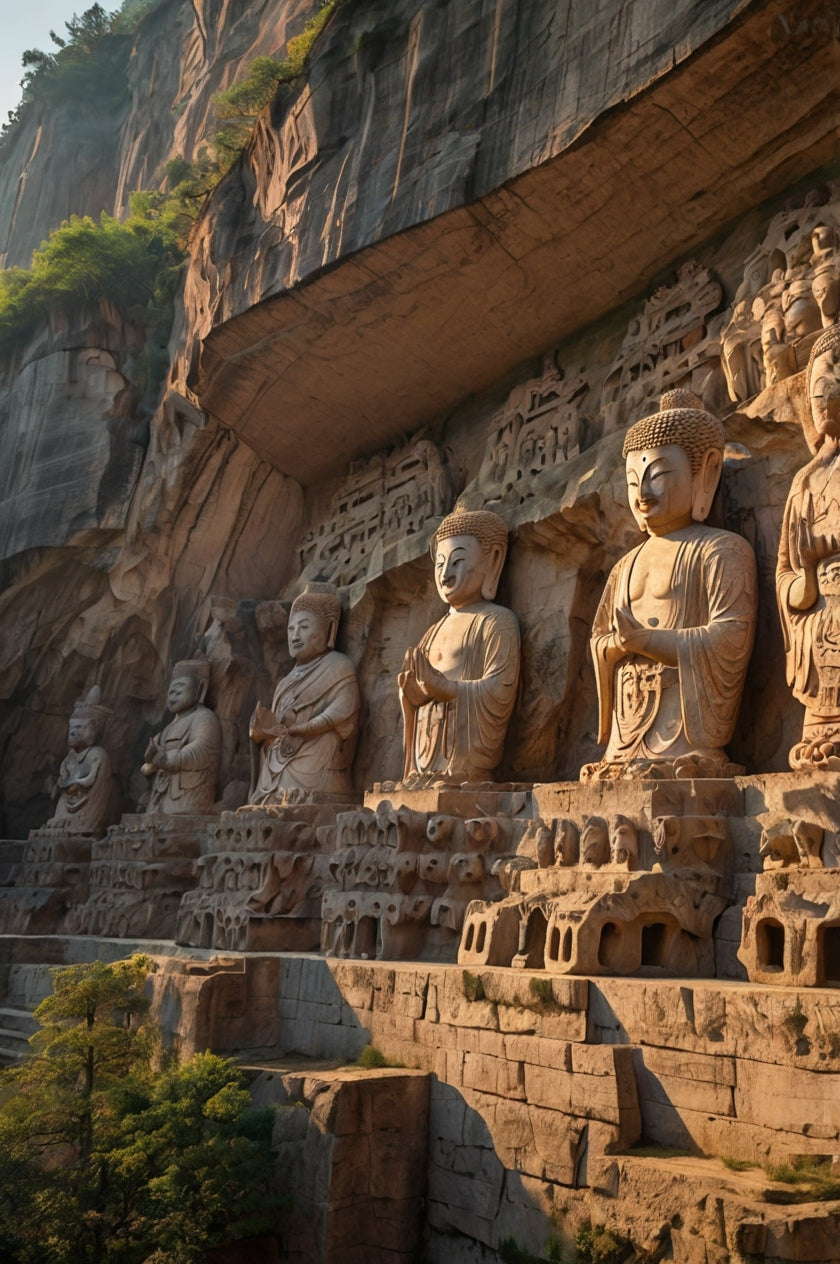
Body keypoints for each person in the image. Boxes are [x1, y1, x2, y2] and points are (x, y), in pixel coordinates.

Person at [582, 389, 757, 781]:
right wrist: (615, 645)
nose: (642, 494)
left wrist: (650, 642)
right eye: (633, 481)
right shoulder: (624, 567)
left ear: (705, 472)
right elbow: (599, 639)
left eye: (658, 476)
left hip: (681, 736)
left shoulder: (721, 550)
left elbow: (731, 638)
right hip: (627, 728)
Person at [399, 507, 520, 786]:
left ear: (493, 561)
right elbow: (418, 694)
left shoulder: (496, 621)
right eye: (440, 563)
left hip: (464, 758)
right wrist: (412, 692)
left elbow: (500, 690)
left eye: (458, 561)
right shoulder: (432, 632)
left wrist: (447, 689)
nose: (445, 573)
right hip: (427, 753)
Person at [777, 323, 840, 768]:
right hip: (817, 627)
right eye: (818, 383)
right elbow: (784, 573)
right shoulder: (805, 481)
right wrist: (810, 575)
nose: (827, 391)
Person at [249, 585, 360, 801]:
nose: (295, 635)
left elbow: (343, 713)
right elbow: (278, 727)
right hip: (282, 760)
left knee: (327, 738)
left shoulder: (339, 666)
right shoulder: (285, 682)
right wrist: (263, 732)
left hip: (313, 759)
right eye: (291, 629)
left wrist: (303, 729)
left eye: (304, 627)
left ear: (329, 630)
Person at [142, 661, 221, 814]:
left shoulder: (204, 718)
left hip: (187, 795)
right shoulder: (168, 727)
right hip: (162, 794)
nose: (173, 696)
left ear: (200, 690)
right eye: (171, 692)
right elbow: (152, 757)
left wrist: (167, 760)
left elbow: (202, 752)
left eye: (179, 691)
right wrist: (150, 764)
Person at [45, 686, 112, 835]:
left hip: (86, 808)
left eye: (80, 727)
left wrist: (86, 820)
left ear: (94, 729)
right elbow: (64, 784)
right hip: (69, 802)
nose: (73, 732)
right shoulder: (70, 757)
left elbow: (95, 789)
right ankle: (62, 818)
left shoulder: (97, 754)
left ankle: (81, 823)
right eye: (72, 728)